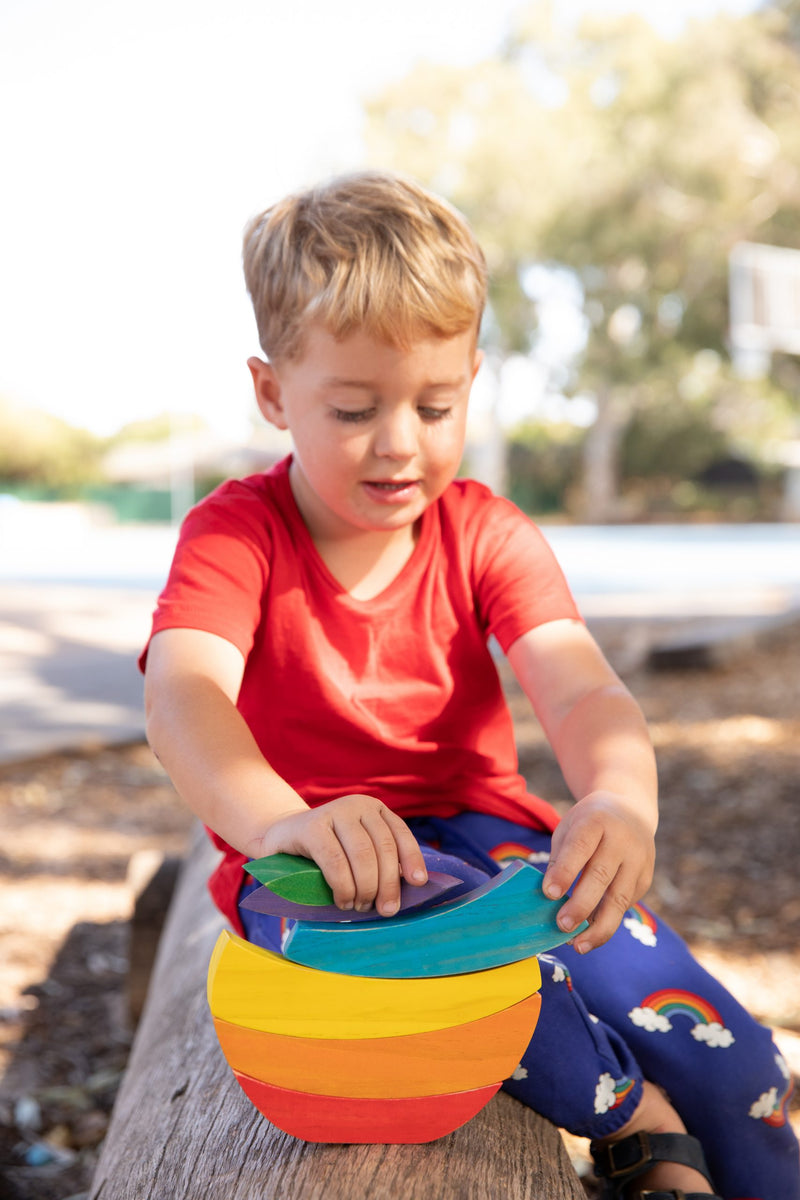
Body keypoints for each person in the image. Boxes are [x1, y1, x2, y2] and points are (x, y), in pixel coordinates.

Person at [141, 170, 798, 1200]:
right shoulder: (236, 535)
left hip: (484, 833)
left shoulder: (485, 532)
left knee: (735, 1063)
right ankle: (642, 1131)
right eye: (354, 409)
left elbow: (579, 691)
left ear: (471, 380)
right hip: (315, 869)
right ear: (273, 394)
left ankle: (720, 1139)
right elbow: (184, 694)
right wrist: (276, 822)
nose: (400, 441)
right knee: (458, 987)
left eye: (434, 405)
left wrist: (621, 799)